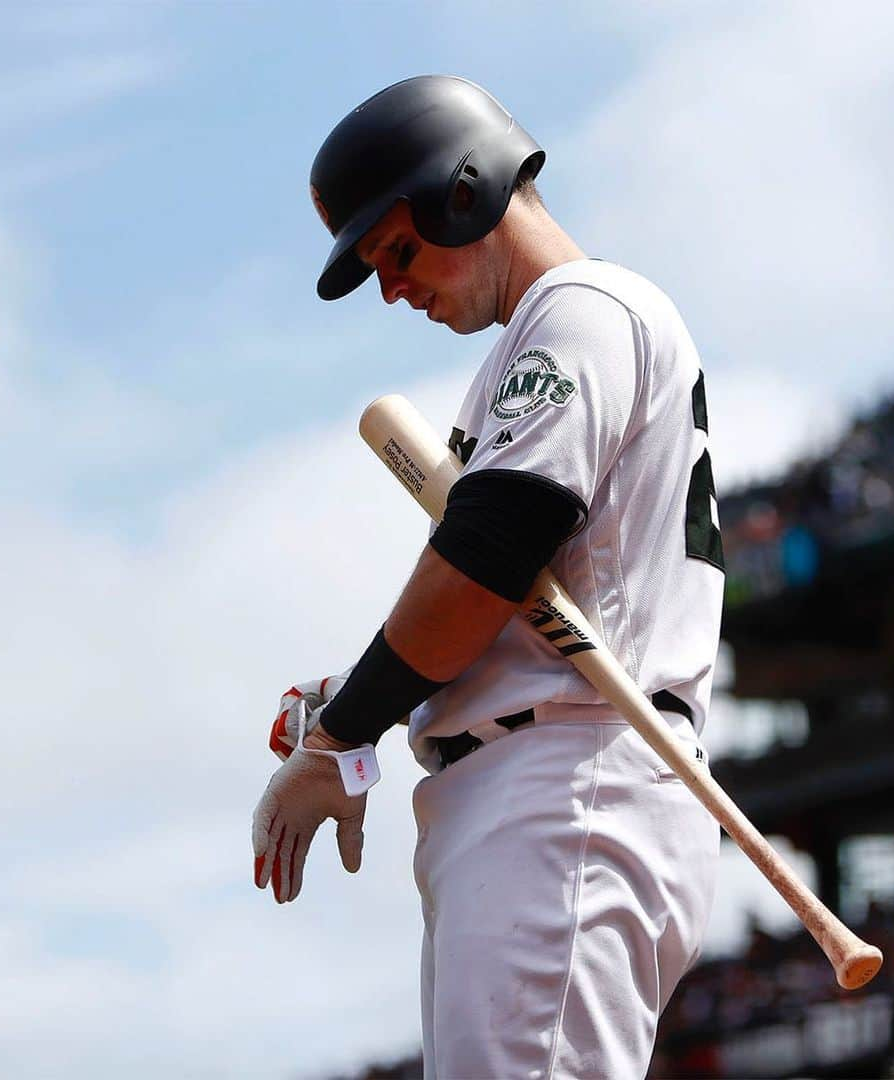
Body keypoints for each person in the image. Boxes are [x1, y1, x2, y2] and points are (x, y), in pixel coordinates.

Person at [251, 74, 725, 1079]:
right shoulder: (554, 331)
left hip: (565, 788)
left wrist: (343, 737)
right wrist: (351, 699)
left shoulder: (579, 309)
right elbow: (520, 600)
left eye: (398, 249)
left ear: (464, 190)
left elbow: (487, 560)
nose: (391, 287)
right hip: (552, 782)